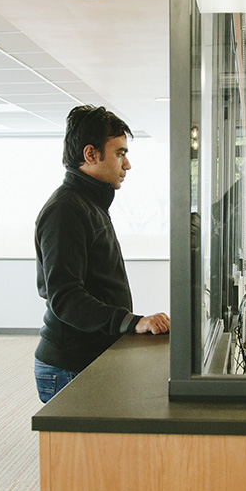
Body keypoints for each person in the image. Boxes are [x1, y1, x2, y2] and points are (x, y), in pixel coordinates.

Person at [33, 105, 170, 403]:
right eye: (120, 153)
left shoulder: (88, 203)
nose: (127, 164)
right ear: (91, 154)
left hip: (87, 357)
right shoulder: (65, 210)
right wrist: (130, 321)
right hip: (69, 364)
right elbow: (65, 297)